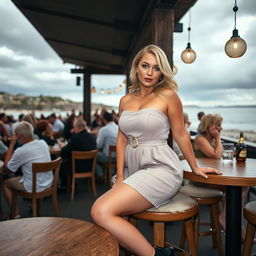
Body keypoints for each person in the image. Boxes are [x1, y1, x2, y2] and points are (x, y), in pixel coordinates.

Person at [91, 44, 221, 256]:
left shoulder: (168, 96)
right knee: (116, 220)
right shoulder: (125, 100)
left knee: (100, 210)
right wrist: (121, 175)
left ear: (162, 72)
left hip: (161, 168)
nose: (150, 72)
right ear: (137, 67)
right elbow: (122, 139)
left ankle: (157, 255)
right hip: (133, 168)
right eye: (145, 66)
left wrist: (194, 166)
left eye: (156, 67)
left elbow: (180, 134)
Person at [193, 114, 250, 241]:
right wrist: (218, 137)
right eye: (218, 125)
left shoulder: (210, 140)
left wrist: (217, 139)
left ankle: (236, 227)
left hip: (211, 177)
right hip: (202, 180)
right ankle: (225, 219)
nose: (221, 128)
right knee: (242, 188)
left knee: (237, 190)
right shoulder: (201, 139)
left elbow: (222, 154)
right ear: (210, 126)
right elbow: (217, 156)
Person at [3, 121, 52, 218]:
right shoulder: (43, 143)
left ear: (20, 136)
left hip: (34, 187)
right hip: (48, 183)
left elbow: (8, 168)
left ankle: (15, 214)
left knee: (6, 184)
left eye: (16, 135)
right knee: (33, 176)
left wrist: (12, 143)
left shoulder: (21, 151)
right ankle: (35, 206)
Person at [59, 118, 96, 188]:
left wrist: (63, 146)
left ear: (78, 127)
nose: (73, 129)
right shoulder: (92, 137)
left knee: (60, 165)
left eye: (74, 127)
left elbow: (63, 152)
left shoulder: (76, 138)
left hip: (78, 167)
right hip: (90, 166)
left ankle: (66, 186)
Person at [95, 111, 118, 182]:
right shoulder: (118, 127)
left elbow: (98, 146)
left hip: (108, 158)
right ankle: (106, 174)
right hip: (120, 157)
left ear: (104, 120)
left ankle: (100, 175)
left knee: (93, 157)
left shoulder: (104, 130)